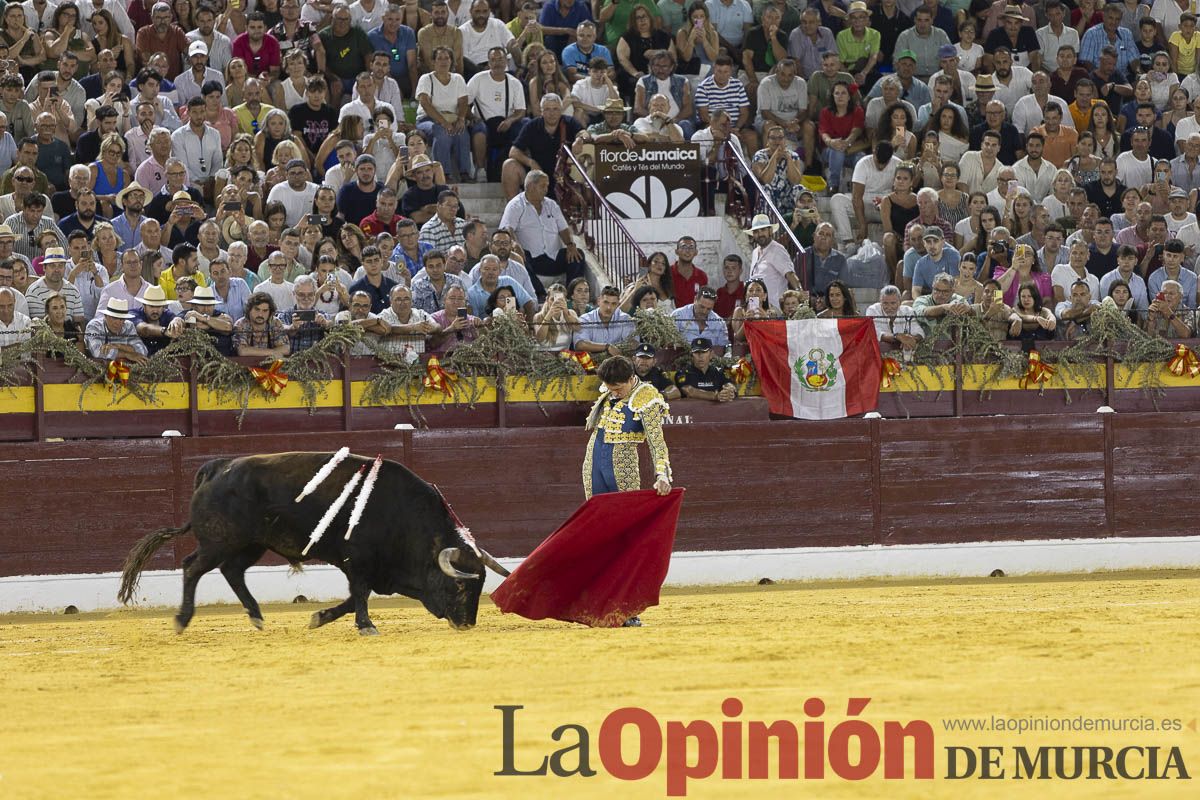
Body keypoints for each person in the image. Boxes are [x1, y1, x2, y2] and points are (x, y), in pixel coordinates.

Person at [582, 353, 672, 502]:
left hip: (623, 463)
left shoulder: (647, 396)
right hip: (593, 459)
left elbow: (656, 441)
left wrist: (662, 474)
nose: (614, 393)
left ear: (631, 379)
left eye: (618, 388)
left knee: (626, 512)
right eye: (610, 389)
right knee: (596, 513)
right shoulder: (610, 389)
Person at [85, 296, 148, 361]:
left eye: (121, 319)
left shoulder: (129, 325)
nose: (117, 322)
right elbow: (97, 352)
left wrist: (118, 346)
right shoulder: (94, 326)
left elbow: (142, 350)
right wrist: (127, 354)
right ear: (106, 316)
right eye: (114, 318)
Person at [675, 335, 736, 401]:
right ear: (691, 356)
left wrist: (730, 390)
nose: (700, 356)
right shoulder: (683, 373)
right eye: (696, 352)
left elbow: (728, 384)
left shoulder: (719, 372)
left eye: (704, 352)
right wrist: (715, 396)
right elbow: (689, 391)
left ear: (711, 354)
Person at [234, 290, 291, 357]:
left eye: (265, 311)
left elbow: (286, 349)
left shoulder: (275, 322)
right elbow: (242, 351)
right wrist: (273, 352)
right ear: (249, 309)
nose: (260, 314)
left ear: (270, 312)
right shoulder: (241, 324)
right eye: (257, 309)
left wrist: (255, 352)